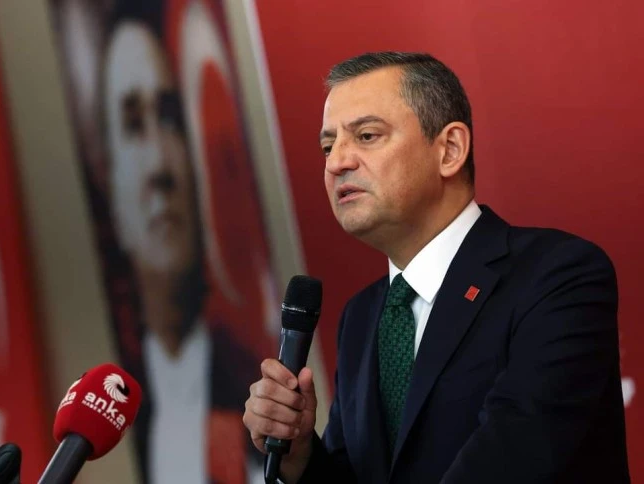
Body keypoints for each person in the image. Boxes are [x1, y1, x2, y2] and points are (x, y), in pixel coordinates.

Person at [242, 52, 630, 483]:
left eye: (367, 136)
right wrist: (300, 455)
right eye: (328, 147)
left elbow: (513, 460)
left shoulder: (558, 276)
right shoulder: (361, 316)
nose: (336, 163)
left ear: (450, 150)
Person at [102, 18, 264, 483]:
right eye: (133, 125)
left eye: (169, 118)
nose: (159, 165)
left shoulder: (251, 382)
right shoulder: (118, 412)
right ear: (112, 194)